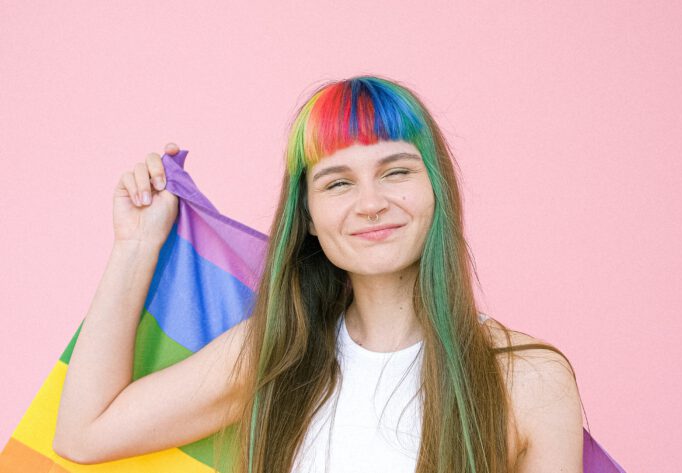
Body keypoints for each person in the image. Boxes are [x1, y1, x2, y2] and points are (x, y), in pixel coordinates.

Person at [53, 76, 585, 473]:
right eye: (337, 183)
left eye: (396, 171)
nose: (371, 203)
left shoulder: (528, 379)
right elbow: (84, 433)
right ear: (306, 216)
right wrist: (136, 244)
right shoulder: (274, 354)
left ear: (436, 190)